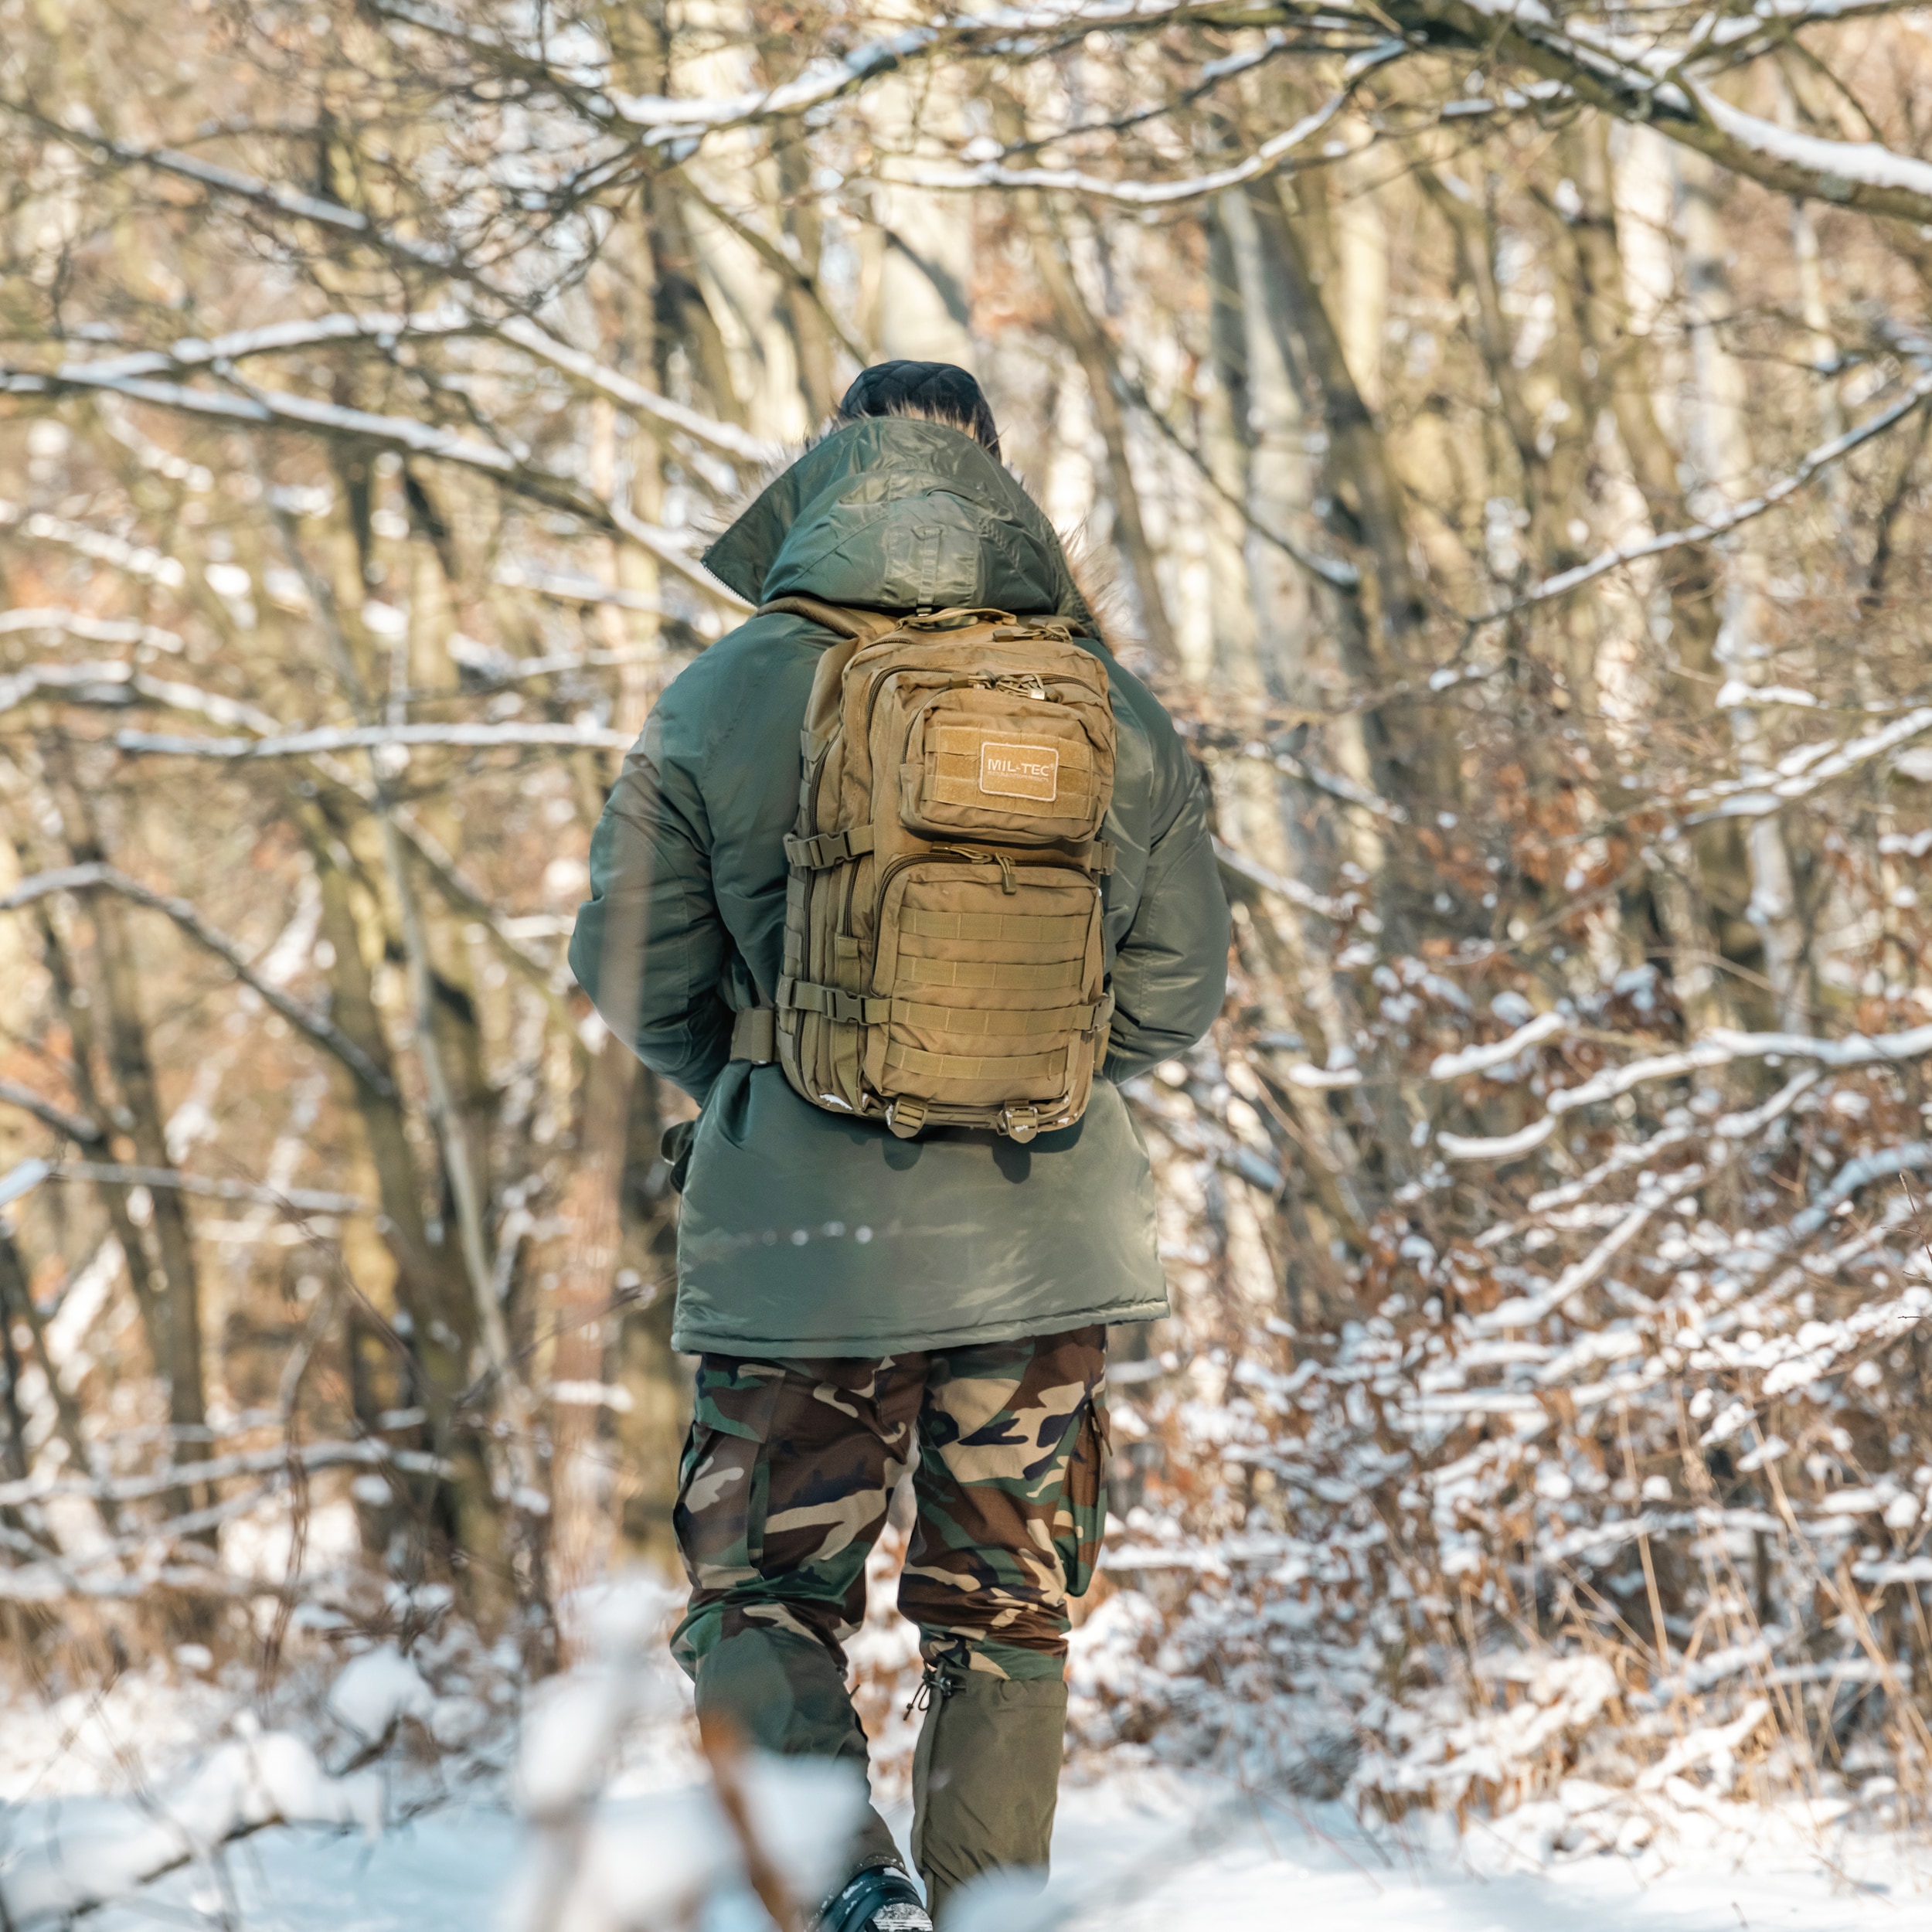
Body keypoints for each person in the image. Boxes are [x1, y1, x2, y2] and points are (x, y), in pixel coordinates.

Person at [570, 361, 1230, 1930]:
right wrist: (1030, 1076)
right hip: (1038, 1246)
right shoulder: (1110, 706)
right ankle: (990, 1909)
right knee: (1005, 1613)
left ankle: (847, 1900)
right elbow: (1177, 991)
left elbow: (627, 963)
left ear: (828, 466)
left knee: (758, 1593)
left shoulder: (728, 689)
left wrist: (759, 1082)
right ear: (1000, 484)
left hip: (793, 1259)